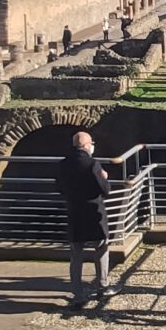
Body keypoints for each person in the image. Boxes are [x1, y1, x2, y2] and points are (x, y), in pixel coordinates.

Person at [57, 130, 113, 309]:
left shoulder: (63, 164)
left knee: (76, 255)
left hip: (74, 212)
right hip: (94, 212)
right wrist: (105, 178)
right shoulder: (93, 164)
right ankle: (103, 285)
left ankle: (78, 293)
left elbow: (59, 186)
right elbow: (105, 190)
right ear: (87, 145)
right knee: (102, 248)